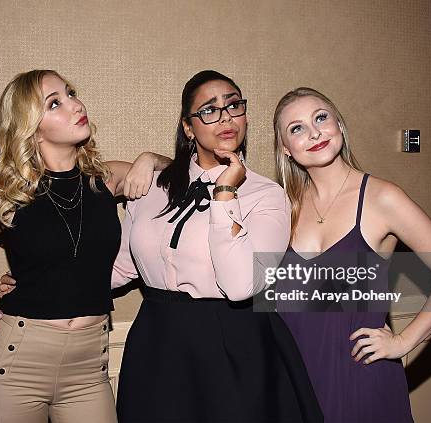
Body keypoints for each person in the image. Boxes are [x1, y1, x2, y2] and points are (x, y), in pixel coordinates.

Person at [0, 69, 169, 423]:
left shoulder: (106, 179)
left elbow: (184, 176)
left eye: (70, 93)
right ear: (31, 128)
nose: (75, 104)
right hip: (17, 363)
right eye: (56, 103)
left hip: (88, 368)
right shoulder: (1, 197)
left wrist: (149, 158)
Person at [109, 70, 323, 422]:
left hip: (234, 343)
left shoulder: (266, 196)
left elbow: (242, 285)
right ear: (188, 127)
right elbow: (121, 268)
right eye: (209, 110)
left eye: (233, 105)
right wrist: (45, 285)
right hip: (157, 339)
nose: (225, 117)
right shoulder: (152, 187)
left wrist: (225, 192)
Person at [272, 87, 431, 422]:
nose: (314, 132)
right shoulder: (283, 208)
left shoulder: (382, 198)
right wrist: (154, 162)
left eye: (321, 118)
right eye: (296, 128)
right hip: (295, 382)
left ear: (339, 125)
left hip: (360, 379)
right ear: (286, 149)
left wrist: (403, 342)